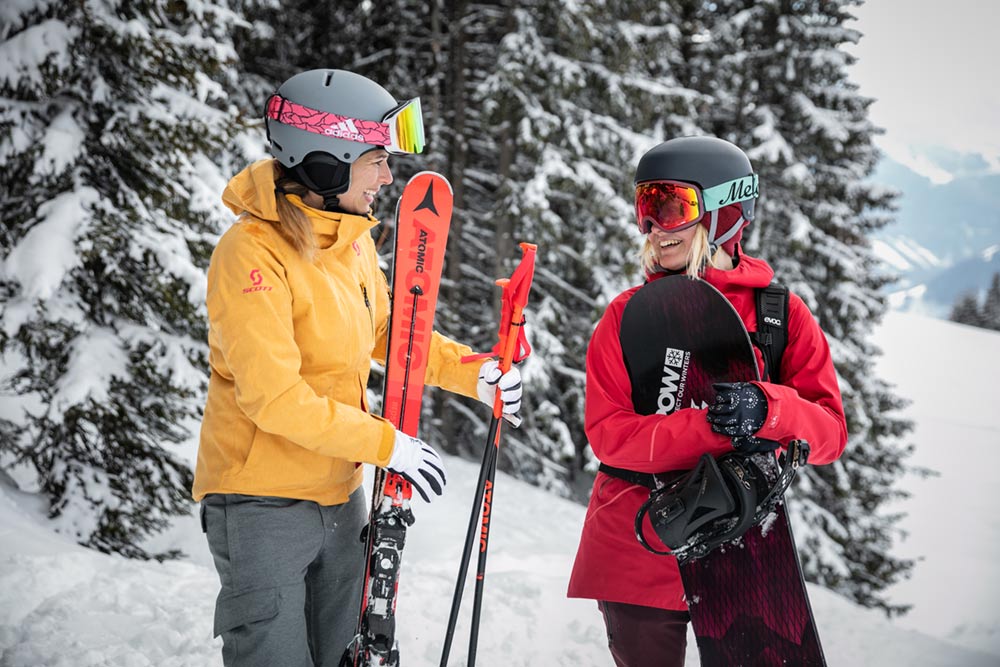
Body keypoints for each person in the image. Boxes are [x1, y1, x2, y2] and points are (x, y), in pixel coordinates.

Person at [192, 69, 523, 667]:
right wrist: (385, 444)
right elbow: (274, 398)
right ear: (326, 162)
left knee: (346, 656)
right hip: (260, 506)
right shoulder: (250, 254)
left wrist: (475, 373)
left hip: (341, 499)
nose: (387, 177)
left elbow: (391, 334)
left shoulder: (350, 242)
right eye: (375, 159)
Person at [566, 136, 848, 667]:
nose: (653, 227)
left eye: (671, 206)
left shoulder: (778, 317)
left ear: (725, 211)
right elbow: (611, 437)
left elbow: (831, 432)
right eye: (644, 208)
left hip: (743, 545)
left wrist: (770, 410)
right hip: (639, 540)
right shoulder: (627, 317)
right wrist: (718, 428)